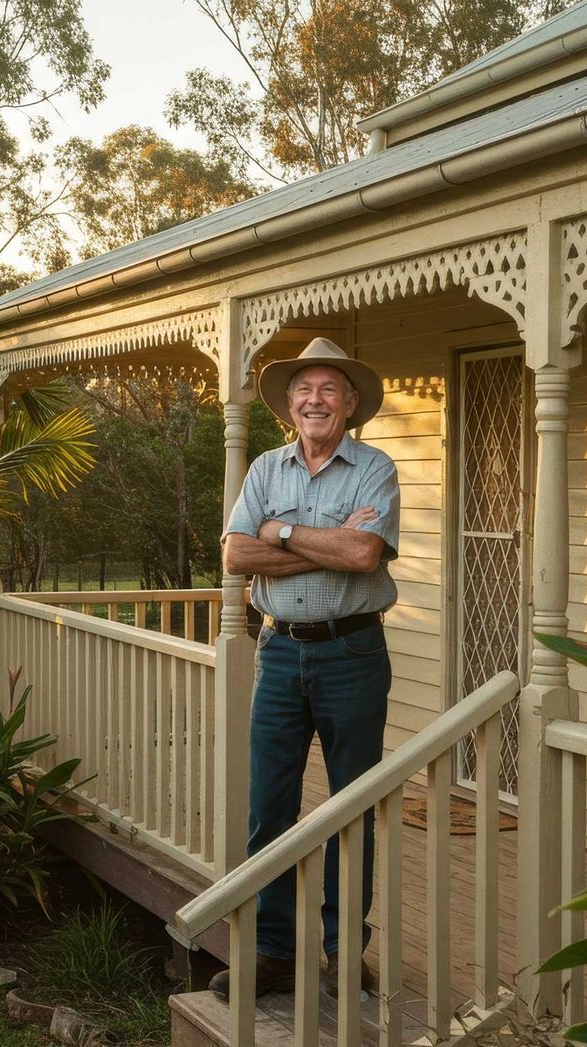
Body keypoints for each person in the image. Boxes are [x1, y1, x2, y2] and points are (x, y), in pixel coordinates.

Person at [210, 337, 400, 997]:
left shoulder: (375, 468)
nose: (314, 399)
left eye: (327, 389)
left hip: (353, 653)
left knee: (353, 806)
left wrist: (282, 533)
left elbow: (364, 556)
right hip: (280, 648)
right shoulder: (265, 468)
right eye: (303, 389)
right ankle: (271, 952)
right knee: (270, 806)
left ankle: (345, 953)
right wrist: (328, 543)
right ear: (289, 403)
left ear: (349, 403)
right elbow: (237, 557)